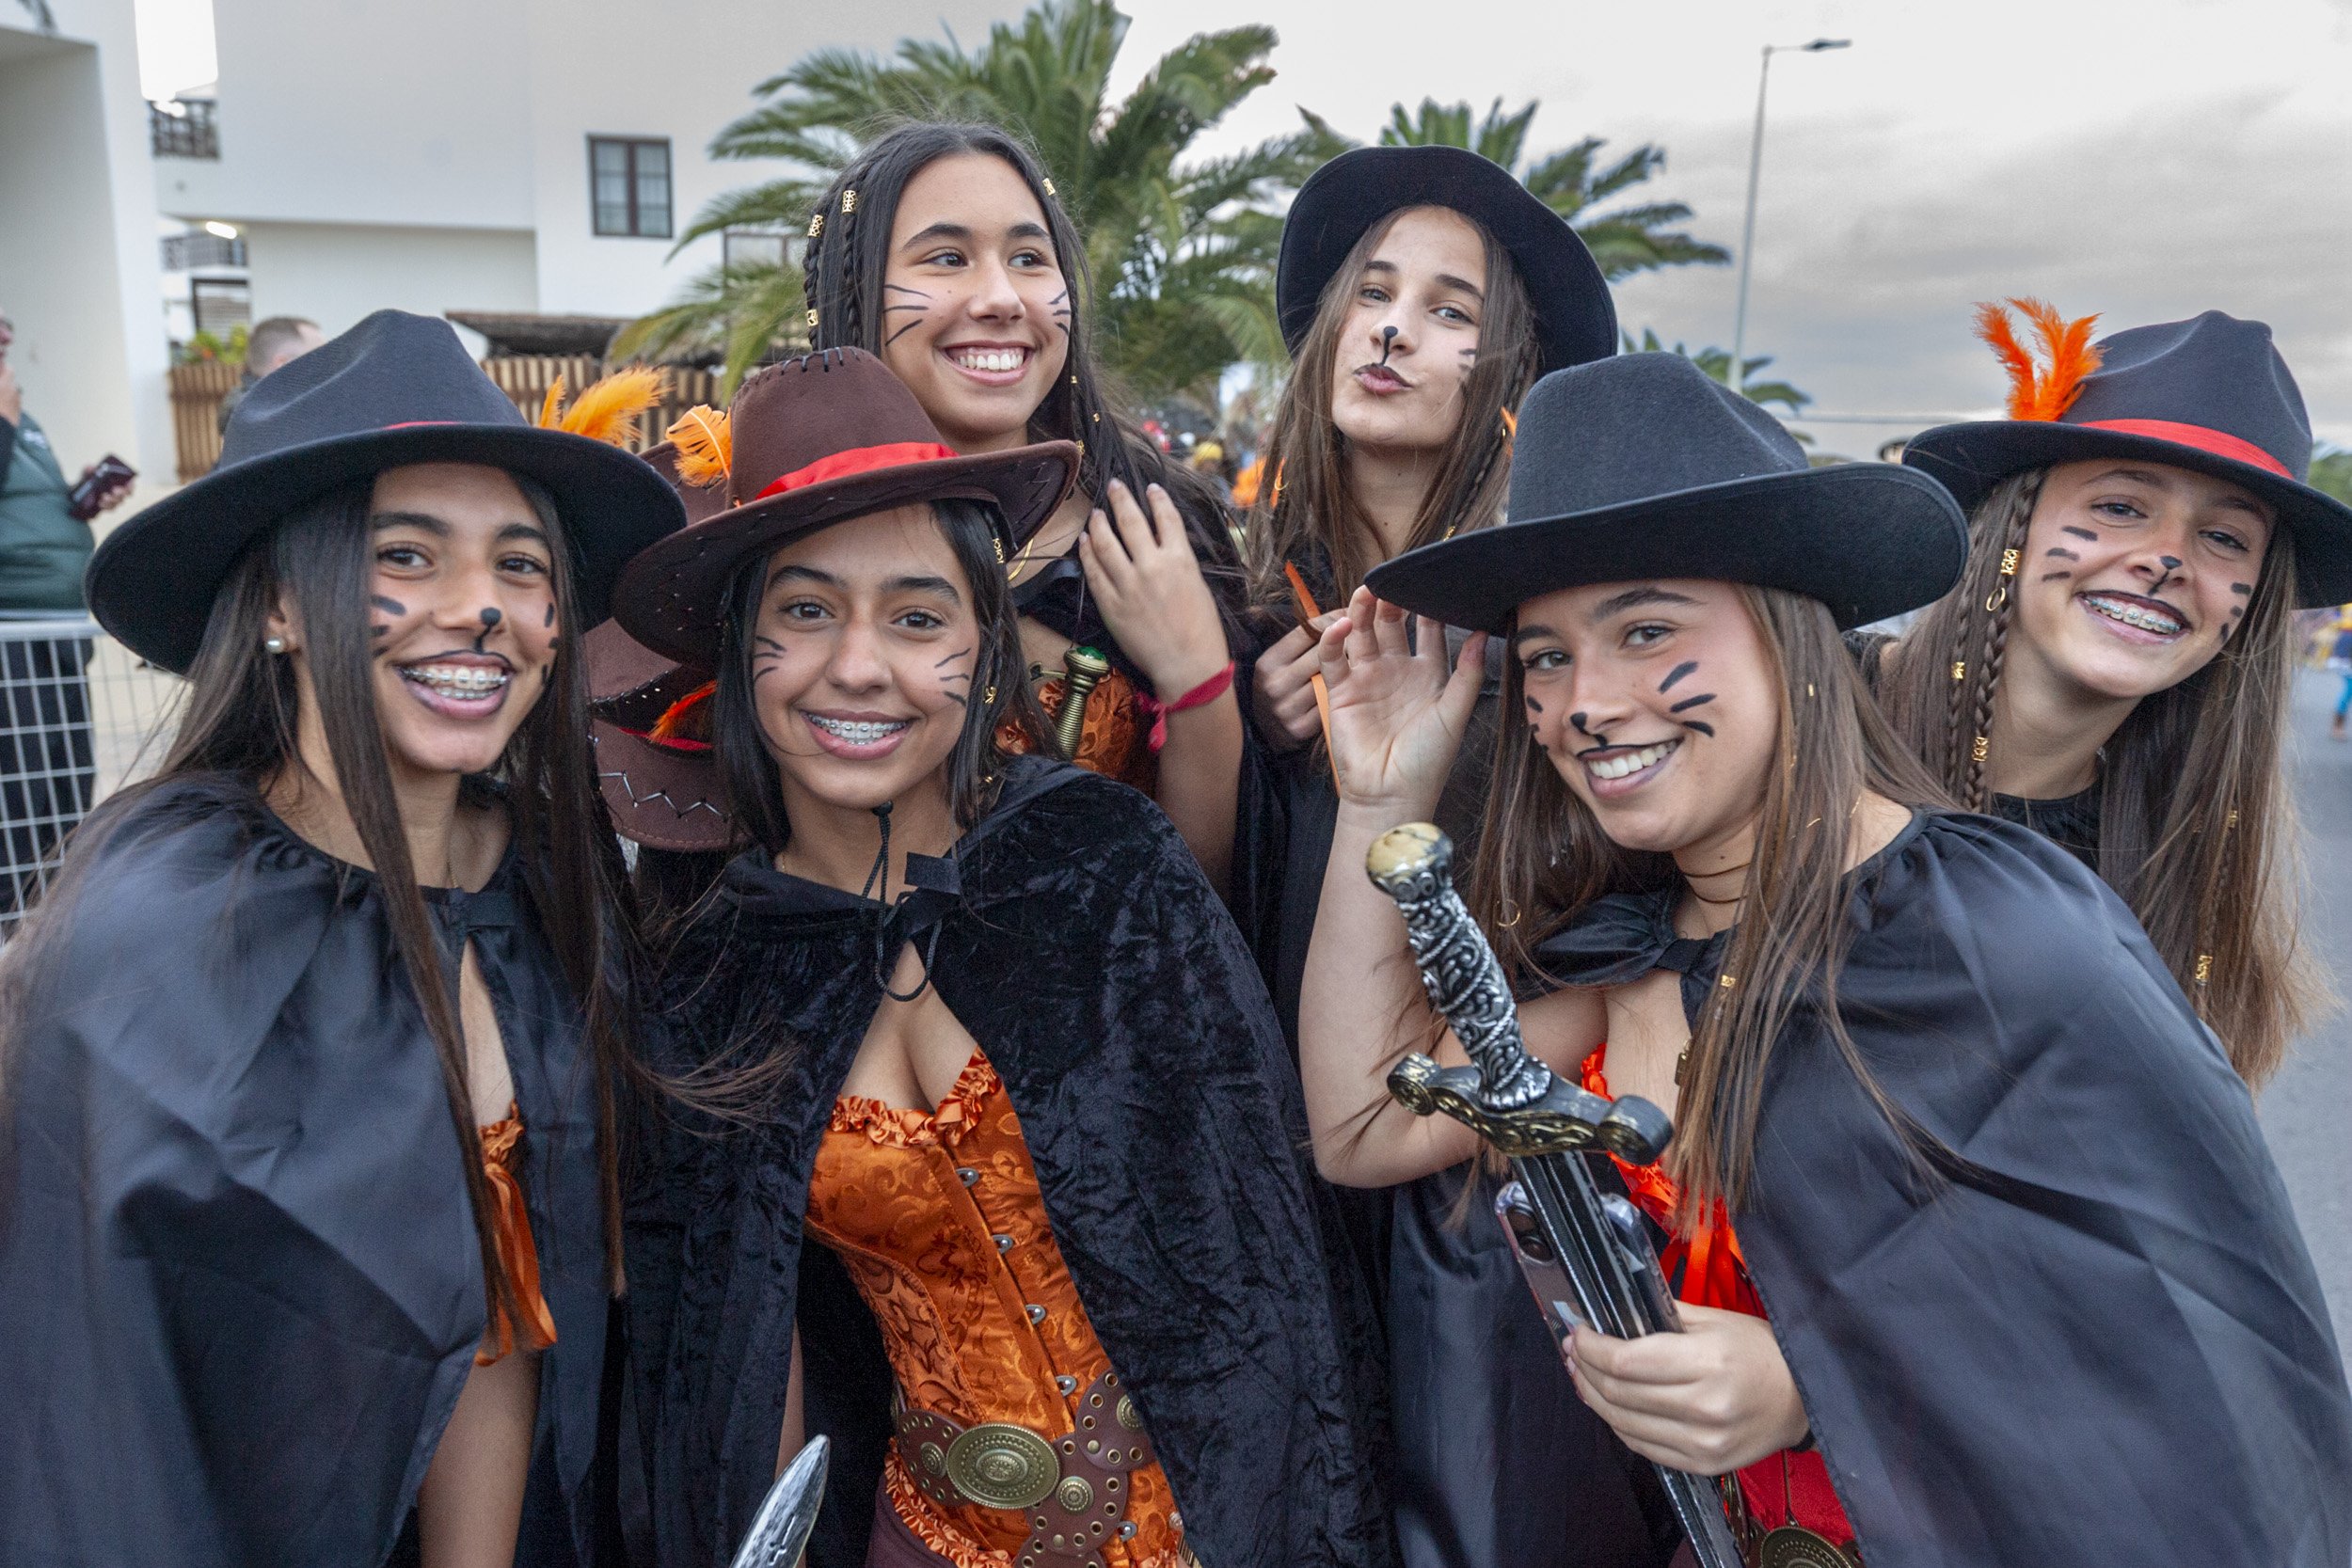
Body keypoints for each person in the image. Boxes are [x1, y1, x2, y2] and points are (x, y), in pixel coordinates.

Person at [1297, 349, 2352, 1565]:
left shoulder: (2012, 931)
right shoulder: (1650, 941)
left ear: (1793, 647)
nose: (1586, 699)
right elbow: (1364, 1127)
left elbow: (2186, 1354)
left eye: (1648, 629)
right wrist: (1379, 798)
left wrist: (1813, 1375)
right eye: (1546, 657)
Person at [610, 349, 1391, 1568]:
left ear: (980, 644)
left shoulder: (1096, 857)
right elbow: (743, 1346)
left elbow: (1265, 1277)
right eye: (805, 610)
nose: (860, 664)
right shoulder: (717, 979)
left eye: (917, 614)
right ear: (741, 649)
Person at [0, 309, 683, 1566]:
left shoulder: (563, 889)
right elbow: (94, 1388)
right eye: (406, 555)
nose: (480, 608)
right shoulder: (148, 936)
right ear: (278, 605)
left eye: (522, 566)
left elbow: (532, 1316)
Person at [1243, 145, 1643, 1568]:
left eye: (1451, 307)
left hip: (1478, 1199)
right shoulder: (1242, 600)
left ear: (1506, 366)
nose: (1397, 325)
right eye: (1374, 291)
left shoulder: (1546, 618)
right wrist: (1225, 715)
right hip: (1270, 1179)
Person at [1880, 304, 2348, 1086]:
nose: (2165, 559)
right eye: (2120, 507)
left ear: (2252, 600)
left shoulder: (2177, 875)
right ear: (2015, 526)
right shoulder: (1802, 709)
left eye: (2225, 537)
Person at [794, 120, 1259, 900]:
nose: (1003, 299)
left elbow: (1208, 902)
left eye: (1029, 259)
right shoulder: (779, 523)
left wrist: (1196, 677)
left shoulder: (1152, 525)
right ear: (854, 293)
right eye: (946, 258)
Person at [0, 305, 135, 915]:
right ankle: (15, 915)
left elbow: (25, 504)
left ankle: (57, 910)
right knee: (19, 794)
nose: (8, 334)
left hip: (57, 631)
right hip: (12, 632)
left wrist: (78, 499)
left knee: (65, 780)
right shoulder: (8, 415)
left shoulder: (23, 417)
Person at [217, 313, 326, 433]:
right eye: (319, 357)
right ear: (284, 364)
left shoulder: (247, 414)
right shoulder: (277, 424)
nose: (328, 365)